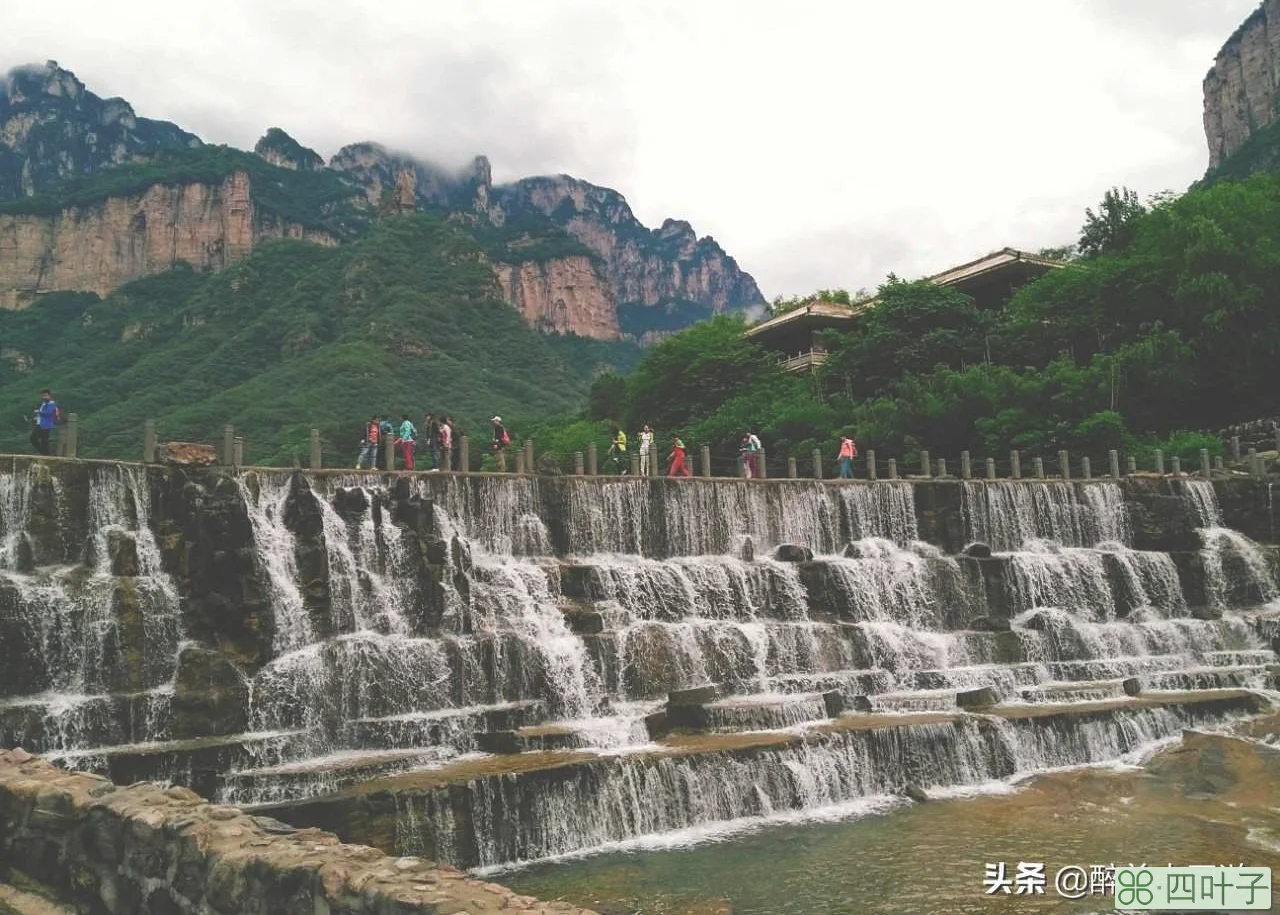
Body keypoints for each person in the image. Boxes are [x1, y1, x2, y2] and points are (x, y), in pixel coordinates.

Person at [30, 390, 58, 456]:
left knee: (41, 439)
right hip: (40, 423)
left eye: (45, 395)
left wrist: (38, 412)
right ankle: (44, 453)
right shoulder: (43, 404)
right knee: (38, 439)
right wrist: (37, 417)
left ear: (50, 396)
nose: (44, 397)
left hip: (46, 424)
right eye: (43, 396)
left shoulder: (51, 404)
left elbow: (48, 413)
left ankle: (44, 453)